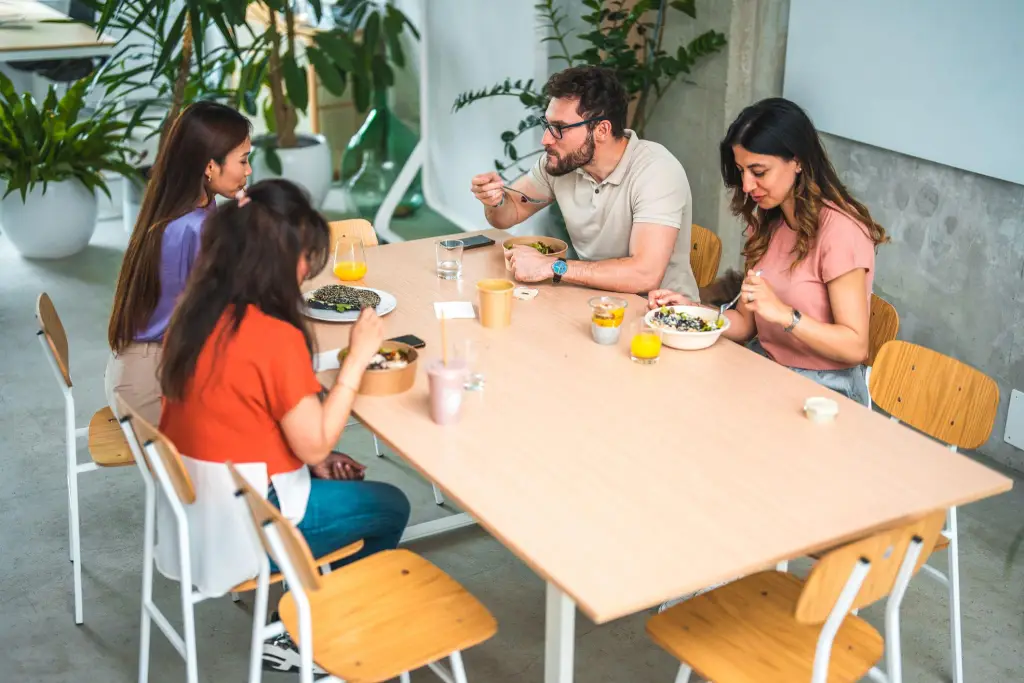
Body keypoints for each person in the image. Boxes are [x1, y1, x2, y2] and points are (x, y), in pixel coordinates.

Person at [157, 179, 411, 671]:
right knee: (390, 506)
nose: (306, 269)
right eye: (304, 257)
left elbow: (243, 411)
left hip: (197, 512)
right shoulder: (272, 335)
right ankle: (308, 633)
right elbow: (314, 443)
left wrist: (311, 460)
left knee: (339, 479)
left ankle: (308, 612)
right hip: (247, 529)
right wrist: (357, 358)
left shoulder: (195, 312)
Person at [649, 98, 888, 406]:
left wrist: (785, 314)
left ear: (798, 161)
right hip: (765, 369)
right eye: (741, 171)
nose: (746, 185)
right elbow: (745, 323)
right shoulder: (768, 223)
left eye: (759, 172)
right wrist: (693, 311)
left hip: (824, 392)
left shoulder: (841, 231)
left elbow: (855, 347)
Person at [470, 65, 699, 300]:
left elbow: (644, 275)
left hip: (660, 312)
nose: (546, 139)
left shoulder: (656, 171)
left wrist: (552, 266)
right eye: (547, 125)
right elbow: (509, 213)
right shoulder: (562, 163)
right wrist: (495, 200)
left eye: (559, 128)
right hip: (593, 300)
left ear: (602, 130)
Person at [104, 101, 253, 424]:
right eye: (243, 160)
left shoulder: (181, 205)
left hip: (140, 369)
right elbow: (221, 317)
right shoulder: (196, 226)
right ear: (210, 166)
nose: (248, 171)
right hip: (151, 387)